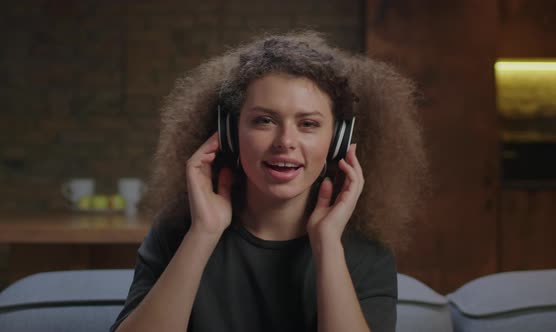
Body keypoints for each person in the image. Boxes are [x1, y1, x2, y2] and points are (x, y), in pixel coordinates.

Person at [111, 31, 427, 332]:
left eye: (308, 124)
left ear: (338, 140)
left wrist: (327, 244)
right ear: (230, 132)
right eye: (264, 120)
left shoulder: (367, 254)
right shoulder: (177, 232)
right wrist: (203, 233)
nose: (285, 141)